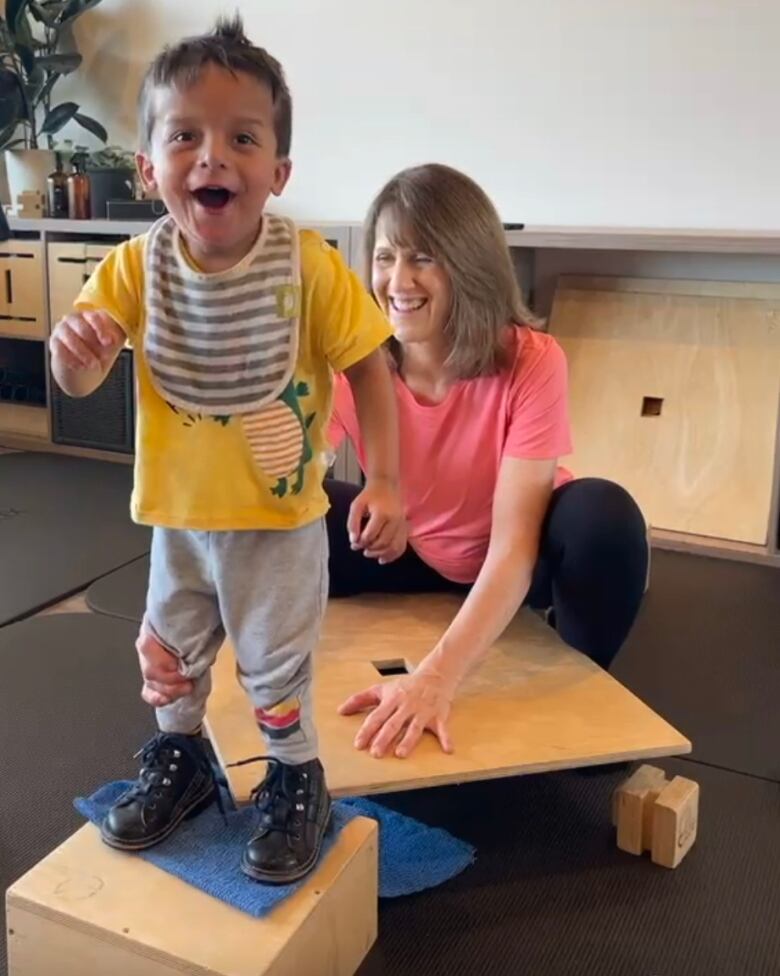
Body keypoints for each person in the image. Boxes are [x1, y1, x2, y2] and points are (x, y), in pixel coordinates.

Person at [135, 163, 649, 764]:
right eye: (385, 257)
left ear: (469, 263)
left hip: (518, 563)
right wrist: (172, 629)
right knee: (302, 517)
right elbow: (261, 493)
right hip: (409, 550)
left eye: (423, 258)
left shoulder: (532, 360)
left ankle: (590, 688)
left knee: (603, 517)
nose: (397, 281)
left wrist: (434, 679)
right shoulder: (354, 360)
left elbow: (514, 546)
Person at [48, 17, 403, 884]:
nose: (213, 157)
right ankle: (187, 763)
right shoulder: (137, 267)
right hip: (178, 521)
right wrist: (76, 355)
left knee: (274, 669)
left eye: (242, 138)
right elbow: (82, 376)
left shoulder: (308, 266)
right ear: (148, 168)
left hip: (278, 522)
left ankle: (294, 775)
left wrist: (388, 478)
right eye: (185, 136)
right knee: (171, 658)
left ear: (277, 172)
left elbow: (369, 365)